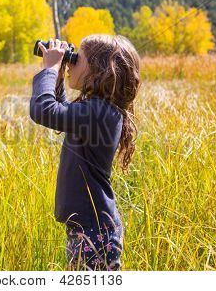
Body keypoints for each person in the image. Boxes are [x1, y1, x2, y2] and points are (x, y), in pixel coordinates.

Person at [29, 34, 141, 270]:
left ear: (99, 71)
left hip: (95, 232)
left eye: (76, 59)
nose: (70, 63)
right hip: (90, 228)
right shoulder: (98, 110)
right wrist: (58, 75)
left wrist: (50, 68)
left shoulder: (100, 113)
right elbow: (61, 112)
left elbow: (44, 110)